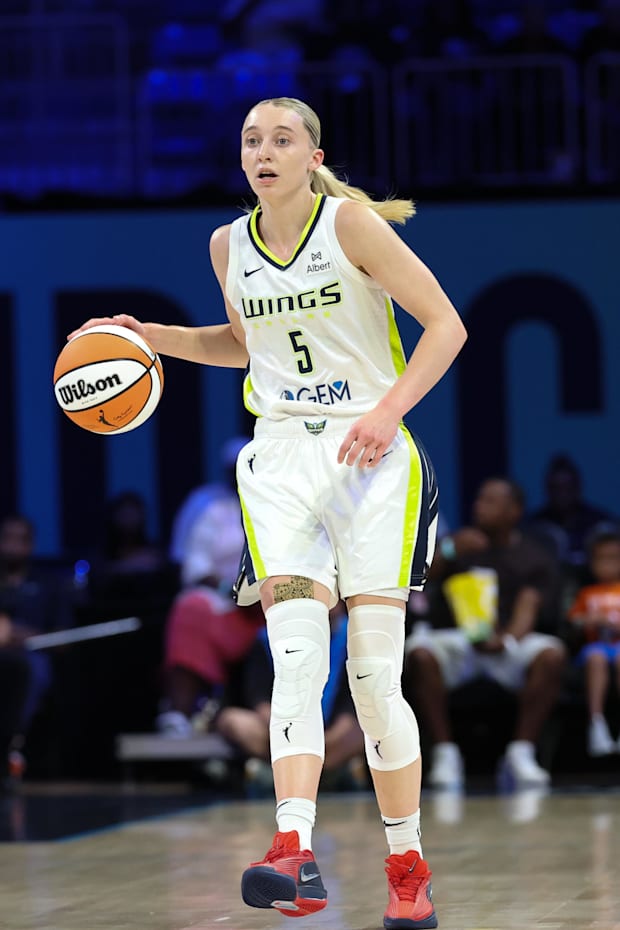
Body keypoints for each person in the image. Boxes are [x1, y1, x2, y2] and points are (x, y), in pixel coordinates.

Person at [68, 95, 467, 930]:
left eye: (282, 138)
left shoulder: (351, 228)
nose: (265, 150)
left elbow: (445, 327)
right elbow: (243, 348)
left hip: (372, 457)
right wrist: (151, 338)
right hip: (280, 457)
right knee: (294, 656)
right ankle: (293, 849)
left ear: (313, 157)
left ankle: (406, 862)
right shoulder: (228, 245)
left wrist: (388, 410)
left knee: (371, 671)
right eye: (252, 139)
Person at [405, 478, 567, 791]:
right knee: (420, 654)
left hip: (508, 642)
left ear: (514, 511)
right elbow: (419, 578)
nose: (480, 506)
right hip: (459, 641)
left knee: (551, 653)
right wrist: (451, 549)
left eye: (491, 501)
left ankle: (521, 752)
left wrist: (505, 640)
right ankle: (445, 753)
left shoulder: (534, 555)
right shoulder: (459, 544)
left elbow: (530, 604)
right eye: (479, 499)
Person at [157, 458, 264, 738]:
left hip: (278, 602)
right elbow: (196, 567)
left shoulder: (285, 503)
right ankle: (180, 711)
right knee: (190, 606)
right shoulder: (214, 511)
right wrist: (235, 589)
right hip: (231, 603)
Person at [214, 601, 366, 790]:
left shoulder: (354, 640)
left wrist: (320, 741)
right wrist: (293, 732)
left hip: (331, 735)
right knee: (234, 721)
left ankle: (311, 770)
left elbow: (350, 709)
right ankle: (312, 770)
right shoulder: (267, 639)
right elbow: (261, 702)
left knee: (367, 729)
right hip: (281, 732)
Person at [566, 529, 620, 757]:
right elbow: (573, 620)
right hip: (595, 646)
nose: (607, 565)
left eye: (613, 559)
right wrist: (588, 620)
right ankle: (596, 724)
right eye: (601, 559)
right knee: (596, 658)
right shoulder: (587, 593)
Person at [526, 454, 616, 571]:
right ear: (547, 489)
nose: (563, 494)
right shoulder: (535, 525)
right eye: (556, 488)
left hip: (594, 582)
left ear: (578, 487)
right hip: (553, 584)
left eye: (568, 487)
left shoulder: (601, 522)